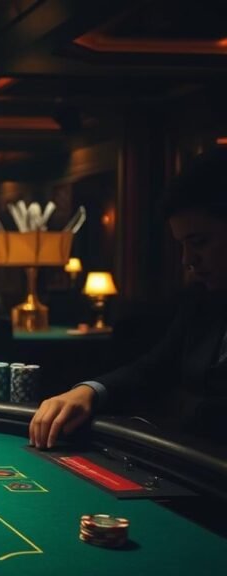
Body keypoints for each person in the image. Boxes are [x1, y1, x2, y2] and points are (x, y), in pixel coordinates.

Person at [29, 149, 227, 448]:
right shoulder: (203, 301)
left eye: (199, 242)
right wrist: (89, 391)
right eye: (182, 246)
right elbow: (153, 368)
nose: (189, 260)